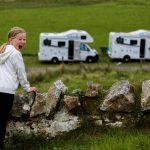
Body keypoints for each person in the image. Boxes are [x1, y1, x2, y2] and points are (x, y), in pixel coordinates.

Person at [0, 27, 37, 149]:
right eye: (20, 39)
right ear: (11, 39)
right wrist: (27, 87)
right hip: (6, 92)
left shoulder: (2, 51)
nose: (23, 42)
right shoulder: (16, 54)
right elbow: (21, 73)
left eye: (25, 39)